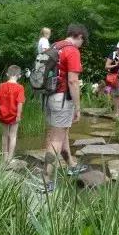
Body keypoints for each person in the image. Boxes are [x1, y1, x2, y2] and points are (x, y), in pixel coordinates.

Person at [42, 24, 89, 193]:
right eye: (83, 41)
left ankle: (71, 165)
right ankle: (46, 181)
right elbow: (73, 81)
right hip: (63, 98)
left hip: (49, 97)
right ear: (79, 36)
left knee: (62, 133)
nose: (82, 45)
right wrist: (77, 107)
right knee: (55, 139)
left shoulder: (56, 46)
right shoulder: (72, 51)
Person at [0, 65, 25, 164]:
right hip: (14, 115)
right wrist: (18, 115)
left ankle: (4, 158)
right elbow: (20, 102)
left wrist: (1, 109)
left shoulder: (1, 86)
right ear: (19, 75)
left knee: (4, 135)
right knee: (13, 136)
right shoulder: (20, 88)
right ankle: (10, 159)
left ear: (7, 74)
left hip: (2, 115)